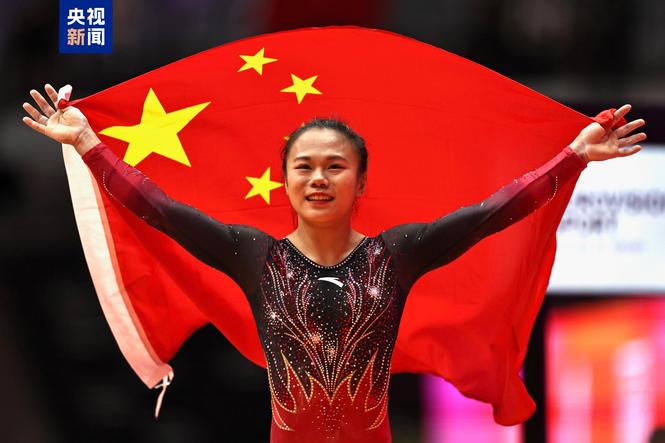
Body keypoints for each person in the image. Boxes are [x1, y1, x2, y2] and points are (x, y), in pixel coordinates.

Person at [22, 84, 646, 443]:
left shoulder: (396, 254)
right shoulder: (255, 256)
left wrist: (573, 156)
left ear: (361, 183)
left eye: (335, 166)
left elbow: (492, 212)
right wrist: (87, 143)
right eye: (304, 166)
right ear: (285, 181)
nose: (318, 178)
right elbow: (156, 208)